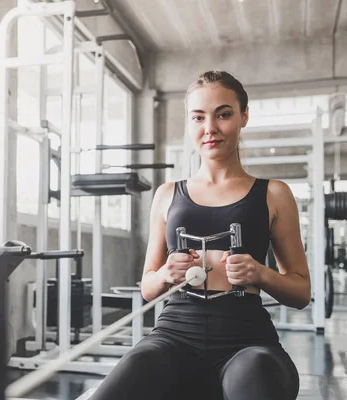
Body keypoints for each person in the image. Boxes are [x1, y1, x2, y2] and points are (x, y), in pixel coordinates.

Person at [90, 70, 309, 400]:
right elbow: (148, 287)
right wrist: (165, 274)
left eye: (223, 114)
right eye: (198, 117)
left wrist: (261, 273)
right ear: (189, 123)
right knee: (127, 376)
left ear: (244, 116)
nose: (210, 128)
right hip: (173, 336)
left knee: (255, 376)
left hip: (247, 342)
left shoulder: (274, 194)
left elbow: (301, 292)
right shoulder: (166, 194)